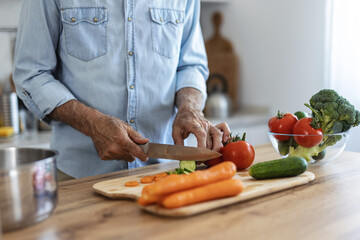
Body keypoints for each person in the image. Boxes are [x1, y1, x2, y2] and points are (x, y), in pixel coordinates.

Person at [13, 0, 231, 180]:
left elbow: (190, 65)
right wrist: (93, 123)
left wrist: (189, 109)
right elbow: (31, 73)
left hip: (163, 175)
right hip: (79, 177)